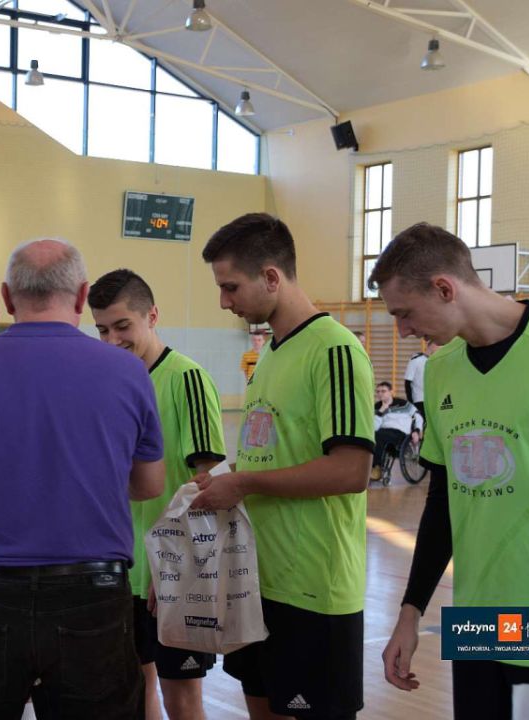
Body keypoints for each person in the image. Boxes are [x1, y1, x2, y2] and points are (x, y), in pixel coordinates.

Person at [0, 238, 166, 719]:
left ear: (5, 297)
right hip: (94, 594)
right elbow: (148, 485)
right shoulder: (130, 373)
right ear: (83, 295)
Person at [191, 213, 375, 720]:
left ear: (271, 277)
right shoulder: (269, 353)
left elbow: (351, 471)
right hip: (259, 581)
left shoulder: (334, 350)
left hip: (314, 590)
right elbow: (276, 452)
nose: (224, 301)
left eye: (230, 287)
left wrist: (244, 483)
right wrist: (224, 478)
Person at [371, 223, 529, 720]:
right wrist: (410, 612)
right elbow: (444, 499)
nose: (403, 331)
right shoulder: (442, 368)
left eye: (405, 313)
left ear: (445, 288)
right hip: (478, 620)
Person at [89, 268, 226, 720]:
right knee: (132, 689)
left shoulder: (187, 378)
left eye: (122, 326)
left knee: (181, 699)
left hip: (172, 572)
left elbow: (209, 483)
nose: (112, 340)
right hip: (118, 569)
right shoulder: (107, 382)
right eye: (102, 330)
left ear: (152, 316)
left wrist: (174, 565)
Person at [371, 381, 422, 482]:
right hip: (383, 432)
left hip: (400, 433)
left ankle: (376, 467)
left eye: (383, 391)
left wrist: (417, 430)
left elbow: (418, 417)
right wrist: (381, 410)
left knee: (378, 436)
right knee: (372, 436)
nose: (380, 394)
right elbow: (374, 427)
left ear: (391, 392)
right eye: (378, 391)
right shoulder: (377, 407)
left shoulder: (404, 404)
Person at [403, 340, 438, 421]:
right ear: (431, 345)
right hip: (419, 400)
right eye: (438, 345)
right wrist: (411, 403)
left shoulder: (435, 361)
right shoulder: (416, 360)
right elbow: (407, 382)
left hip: (433, 400)